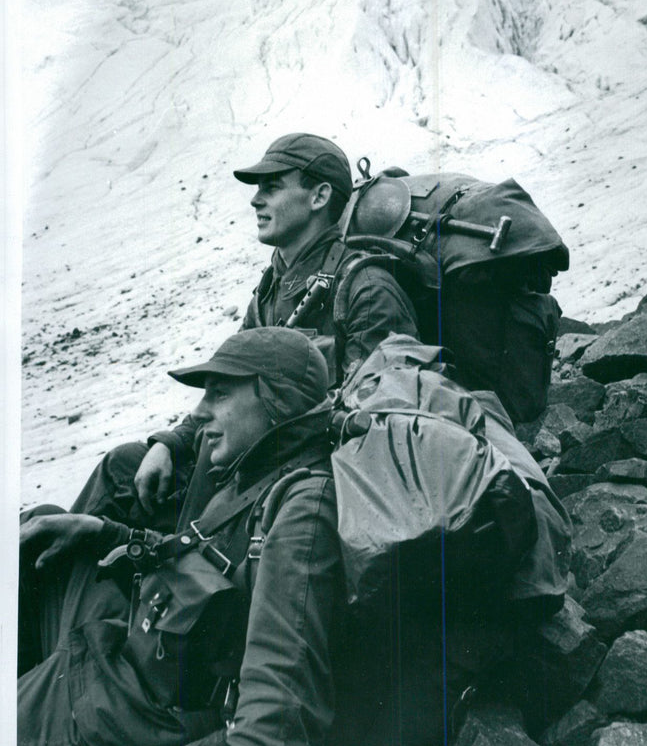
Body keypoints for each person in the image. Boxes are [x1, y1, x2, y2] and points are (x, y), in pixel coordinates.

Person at [18, 327, 342, 746]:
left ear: (275, 399)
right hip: (114, 667)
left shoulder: (302, 512)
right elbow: (197, 556)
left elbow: (281, 701)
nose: (200, 413)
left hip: (117, 736)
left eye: (220, 394)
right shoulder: (255, 466)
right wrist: (104, 531)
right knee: (38, 536)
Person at [55, 132, 419, 535]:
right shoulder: (271, 289)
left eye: (272, 187)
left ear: (319, 197)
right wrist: (171, 442)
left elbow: (378, 416)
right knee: (123, 466)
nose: (255, 200)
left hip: (300, 478)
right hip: (250, 460)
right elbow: (224, 387)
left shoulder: (365, 287)